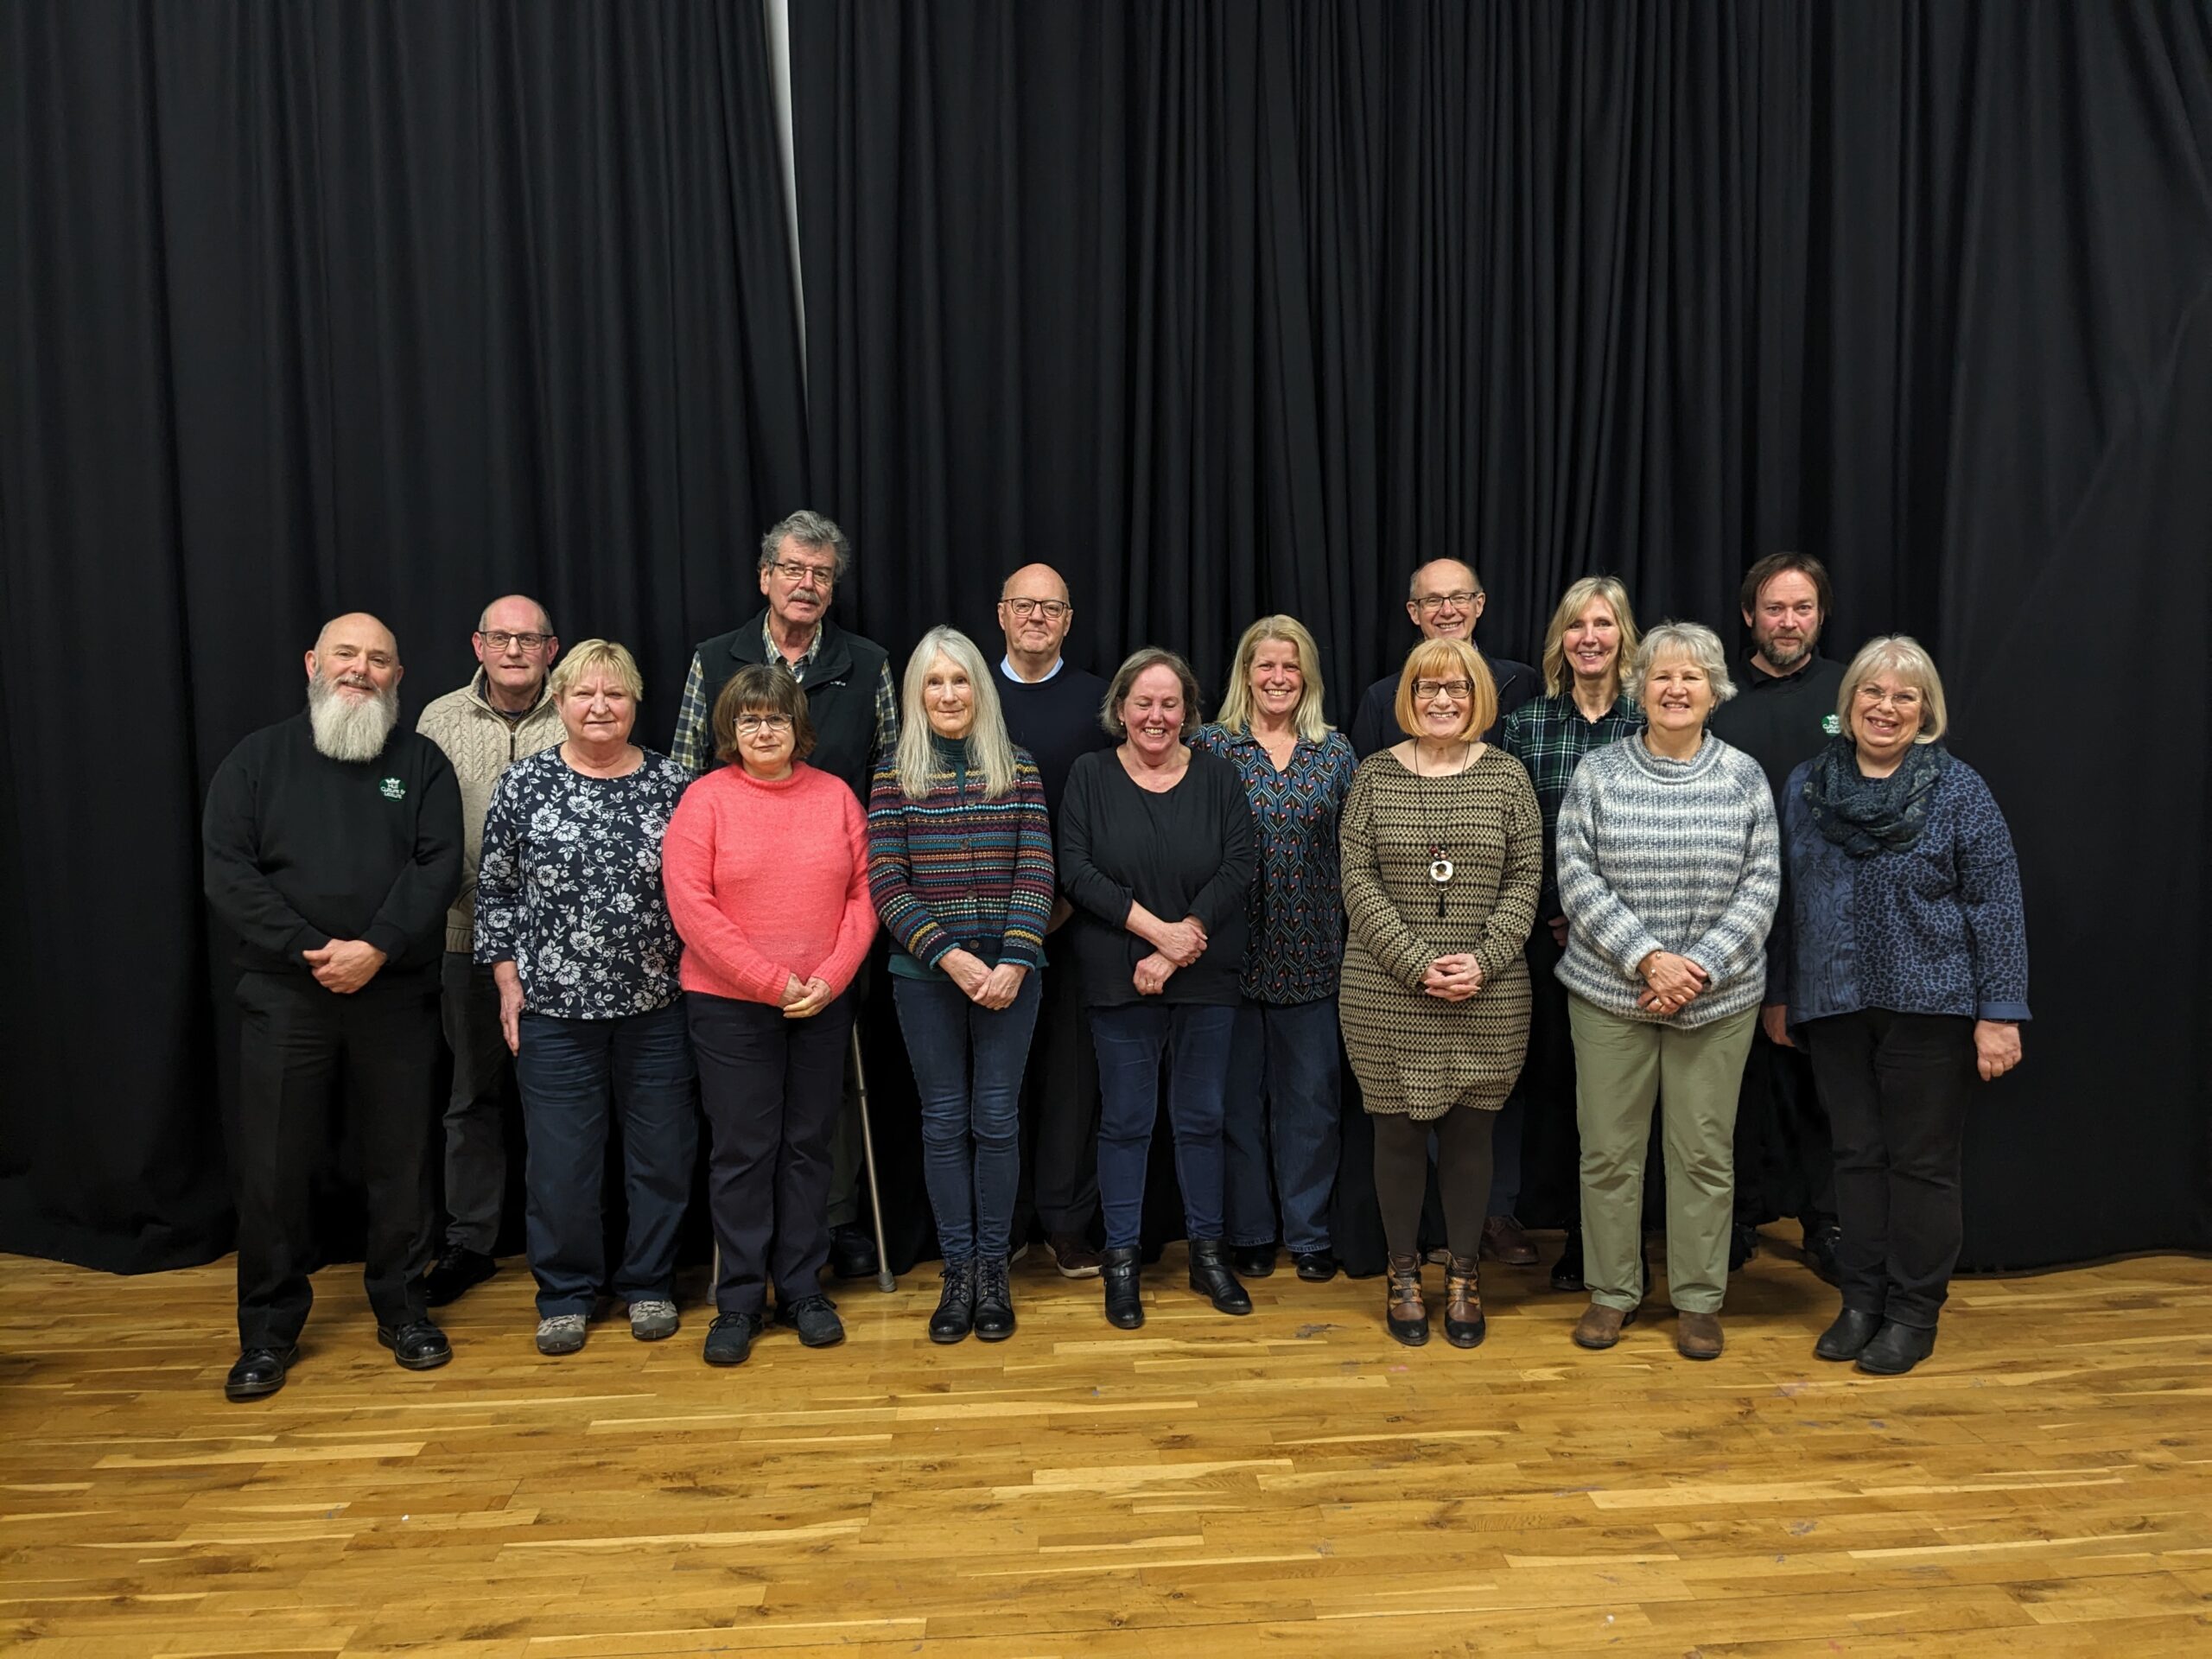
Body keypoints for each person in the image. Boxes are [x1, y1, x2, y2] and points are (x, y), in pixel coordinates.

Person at [201, 613, 462, 1401]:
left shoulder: (420, 762)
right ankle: (268, 1332)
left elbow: (438, 863)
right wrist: (312, 948)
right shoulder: (257, 760)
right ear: (314, 663)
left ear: (398, 677)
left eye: (379, 659)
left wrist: (376, 946)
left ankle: (403, 1307)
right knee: (275, 1169)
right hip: (286, 995)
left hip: (395, 994)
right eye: (346, 654)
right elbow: (228, 871)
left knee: (403, 1162)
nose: (361, 669)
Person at [1770, 636, 2028, 1376]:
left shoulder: (1959, 791)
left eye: (1904, 697)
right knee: (1855, 1156)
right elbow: (1788, 902)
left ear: (1926, 711)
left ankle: (1913, 1313)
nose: (1886, 708)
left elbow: (1996, 905)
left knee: (1921, 1165)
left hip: (1932, 1006)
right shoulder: (1806, 787)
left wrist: (2000, 1013)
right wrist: (1782, 993)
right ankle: (1860, 1303)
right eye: (1872, 694)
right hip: (1835, 1002)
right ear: (1847, 705)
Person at [669, 510, 897, 1281]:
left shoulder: (866, 664)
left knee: (817, 1120)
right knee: (746, 1134)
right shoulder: (714, 660)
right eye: (794, 569)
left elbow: (891, 782)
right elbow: (683, 773)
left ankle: (820, 1249)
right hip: (734, 957)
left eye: (822, 574)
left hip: (836, 931)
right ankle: (741, 1283)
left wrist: (837, 959)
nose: (807, 585)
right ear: (765, 576)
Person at [1554, 621, 1780, 1361]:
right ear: (1638, 688)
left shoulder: (1744, 777)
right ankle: (1613, 1293)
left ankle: (1698, 1300)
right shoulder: (1599, 774)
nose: (1676, 689)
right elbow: (1577, 877)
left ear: (1715, 691)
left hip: (1716, 1003)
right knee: (1610, 1154)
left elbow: (1762, 885)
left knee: (1703, 1155)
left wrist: (1698, 968)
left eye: (1692, 678)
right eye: (1661, 677)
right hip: (1610, 994)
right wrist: (1649, 959)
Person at [474, 640, 696, 1357]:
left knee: (661, 1155)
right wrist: (507, 982)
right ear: (561, 703)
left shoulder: (677, 785)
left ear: (635, 703)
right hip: (554, 1014)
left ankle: (650, 1283)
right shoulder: (523, 786)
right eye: (584, 694)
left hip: (659, 1006)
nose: (600, 706)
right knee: (561, 1164)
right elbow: (498, 893)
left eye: (616, 694)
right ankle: (566, 1294)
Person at [663, 666, 877, 1366]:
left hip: (820, 999)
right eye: (750, 719)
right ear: (730, 729)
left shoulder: (837, 797)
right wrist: (768, 981)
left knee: (809, 1146)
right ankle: (740, 1299)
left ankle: (802, 1288)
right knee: (743, 1153)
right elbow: (692, 907)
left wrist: (829, 977)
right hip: (730, 1005)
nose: (764, 731)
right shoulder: (704, 801)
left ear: (798, 729)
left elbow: (863, 894)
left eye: (777, 719)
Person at [1338, 640, 1541, 1347]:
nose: (1443, 700)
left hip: (1488, 994)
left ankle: (1462, 1275)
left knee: (1470, 1135)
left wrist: (1482, 962)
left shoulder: (1510, 778)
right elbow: (1357, 881)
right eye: (1428, 688)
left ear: (1478, 693)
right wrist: (1418, 963)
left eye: (1457, 687)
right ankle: (1402, 1275)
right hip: (1385, 991)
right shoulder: (1371, 777)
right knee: (1395, 1133)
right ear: (1409, 697)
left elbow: (1525, 881)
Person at [1058, 649, 1256, 1328]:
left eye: (1169, 703)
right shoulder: (1089, 775)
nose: (1156, 716)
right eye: (1143, 703)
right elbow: (1076, 872)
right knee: (1125, 1124)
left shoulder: (1220, 777)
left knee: (1202, 1120)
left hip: (1205, 973)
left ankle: (1207, 1257)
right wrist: (1154, 933)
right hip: (1119, 974)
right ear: (1120, 710)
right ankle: (1121, 1265)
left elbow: (1239, 865)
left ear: (1188, 712)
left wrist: (1181, 942)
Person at [868, 627, 1056, 1342]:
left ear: (980, 689)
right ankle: (958, 1275)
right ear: (918, 693)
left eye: (961, 680)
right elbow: (887, 881)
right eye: (934, 682)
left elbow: (1037, 869)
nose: (949, 694)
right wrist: (949, 956)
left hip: (1013, 976)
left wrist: (1012, 958)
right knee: (944, 1123)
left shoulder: (1019, 768)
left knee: (996, 1122)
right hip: (928, 977)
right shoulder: (893, 775)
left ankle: (993, 1274)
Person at [1193, 617, 1357, 1283]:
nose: (1278, 678)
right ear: (1245, 674)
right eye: (1265, 666)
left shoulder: (1335, 753)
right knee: (1234, 1108)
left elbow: (1356, 856)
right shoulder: (1210, 747)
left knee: (1311, 1107)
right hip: (1227, 959)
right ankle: (1253, 1231)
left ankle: (1309, 1232)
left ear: (1308, 676)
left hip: (1315, 956)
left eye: (1291, 666)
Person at [414, 595, 564, 1306]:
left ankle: (563, 1241)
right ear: (478, 645)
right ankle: (470, 1240)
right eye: (500, 638)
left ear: (551, 649)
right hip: (462, 940)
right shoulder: (438, 720)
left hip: (564, 949)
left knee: (563, 1098)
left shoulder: (582, 708)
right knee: (472, 1093)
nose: (514, 651)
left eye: (527, 640)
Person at [1498, 576, 1645, 1287]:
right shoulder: (1527, 724)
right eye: (1577, 625)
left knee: (1616, 1100)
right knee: (1553, 1087)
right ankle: (1550, 1225)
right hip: (1541, 933)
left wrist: (1602, 922)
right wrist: (1558, 908)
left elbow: (1666, 838)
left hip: (1632, 944)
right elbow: (1515, 835)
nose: (1591, 637)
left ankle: (1605, 1246)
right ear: (1561, 639)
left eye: (1604, 623)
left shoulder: (1652, 718)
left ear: (1624, 636)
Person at [1708, 552, 1848, 1282]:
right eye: (1773, 608)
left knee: (1826, 1082)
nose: (1787, 622)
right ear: (1748, 616)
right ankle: (1732, 1219)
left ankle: (1826, 1219)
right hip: (1732, 919)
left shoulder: (1850, 694)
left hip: (1827, 922)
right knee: (1733, 1083)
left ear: (1821, 614)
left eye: (1801, 608)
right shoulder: (1717, 700)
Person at [995, 563, 1114, 1278]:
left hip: (1076, 922)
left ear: (1068, 620)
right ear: (1001, 615)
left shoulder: (1100, 702)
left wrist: (1061, 909)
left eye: (1052, 607)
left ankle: (1068, 1224)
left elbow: (1109, 817)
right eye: (1024, 606)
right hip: (982, 926)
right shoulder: (967, 693)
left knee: (1073, 1082)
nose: (1037, 617)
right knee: (997, 1084)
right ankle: (1003, 1224)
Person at [1347, 559, 1538, 760]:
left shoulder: (1521, 683)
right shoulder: (1380, 699)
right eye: (1433, 600)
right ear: (1414, 612)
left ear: (1479, 604)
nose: (1447, 611)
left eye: (1459, 598)